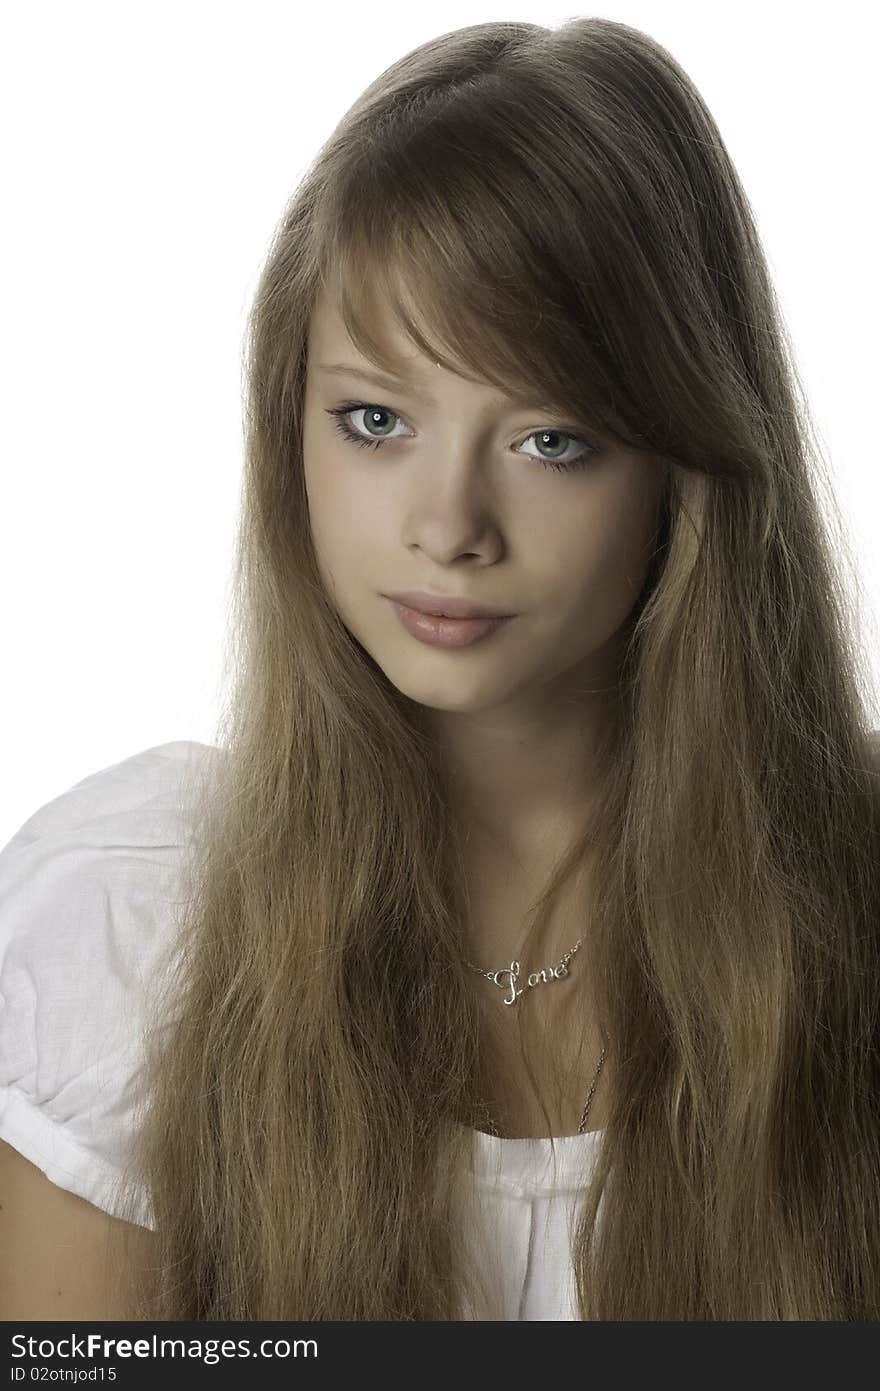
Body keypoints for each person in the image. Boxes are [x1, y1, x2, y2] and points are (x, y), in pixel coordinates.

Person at [1, 15, 879, 1322]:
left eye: (550, 439)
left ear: (686, 470)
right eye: (376, 420)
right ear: (286, 420)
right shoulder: (134, 924)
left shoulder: (846, 903)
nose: (446, 526)